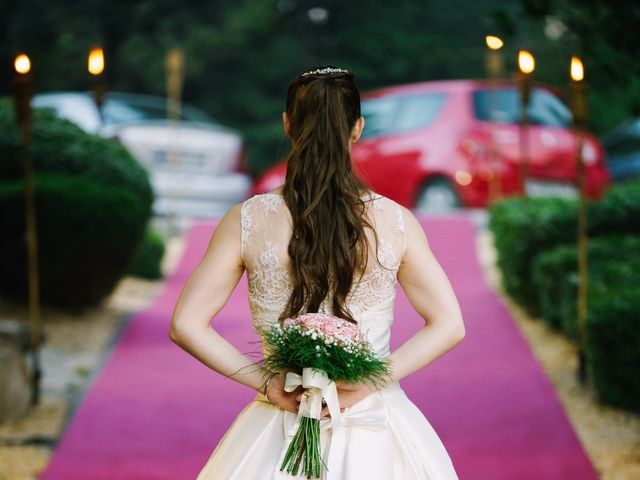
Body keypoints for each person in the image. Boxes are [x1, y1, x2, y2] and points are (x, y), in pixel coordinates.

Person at [169, 66, 465, 479]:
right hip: (375, 421)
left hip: (280, 419)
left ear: (288, 124)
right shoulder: (395, 221)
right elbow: (449, 324)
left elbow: (186, 324)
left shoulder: (247, 219)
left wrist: (266, 382)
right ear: (357, 128)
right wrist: (372, 382)